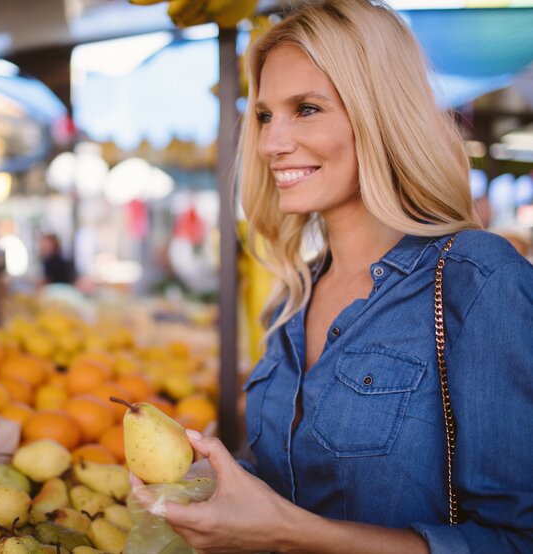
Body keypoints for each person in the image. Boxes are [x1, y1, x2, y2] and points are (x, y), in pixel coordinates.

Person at [139, 1, 533, 552]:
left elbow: (517, 540)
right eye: (264, 115)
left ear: (380, 112)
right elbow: (296, 484)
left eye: (306, 108)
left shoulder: (477, 280)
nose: (271, 143)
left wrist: (286, 531)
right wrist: (210, 487)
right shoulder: (290, 300)